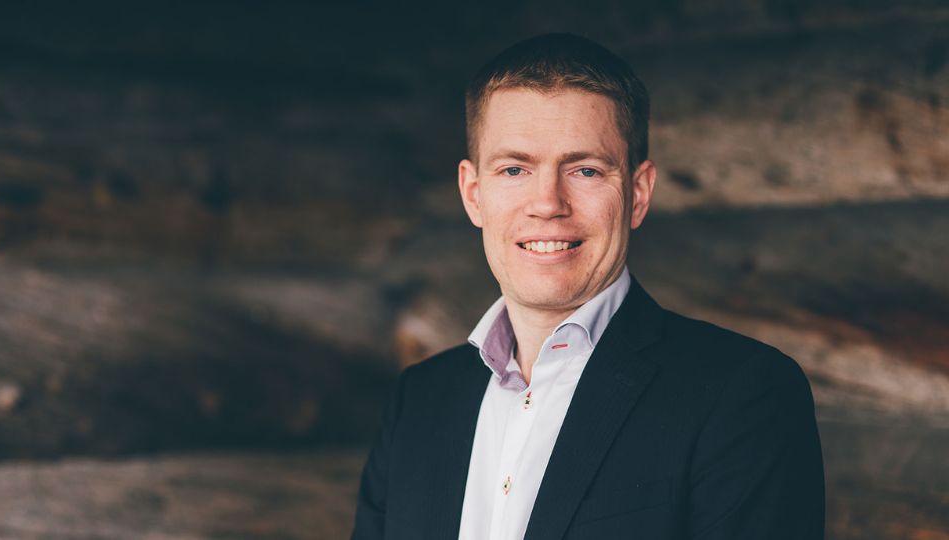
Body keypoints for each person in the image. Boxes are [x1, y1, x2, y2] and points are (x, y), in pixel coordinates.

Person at [352, 33, 824, 540]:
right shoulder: (418, 400)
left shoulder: (744, 393)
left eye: (585, 170)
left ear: (637, 194)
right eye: (514, 169)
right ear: (473, 194)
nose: (548, 203)